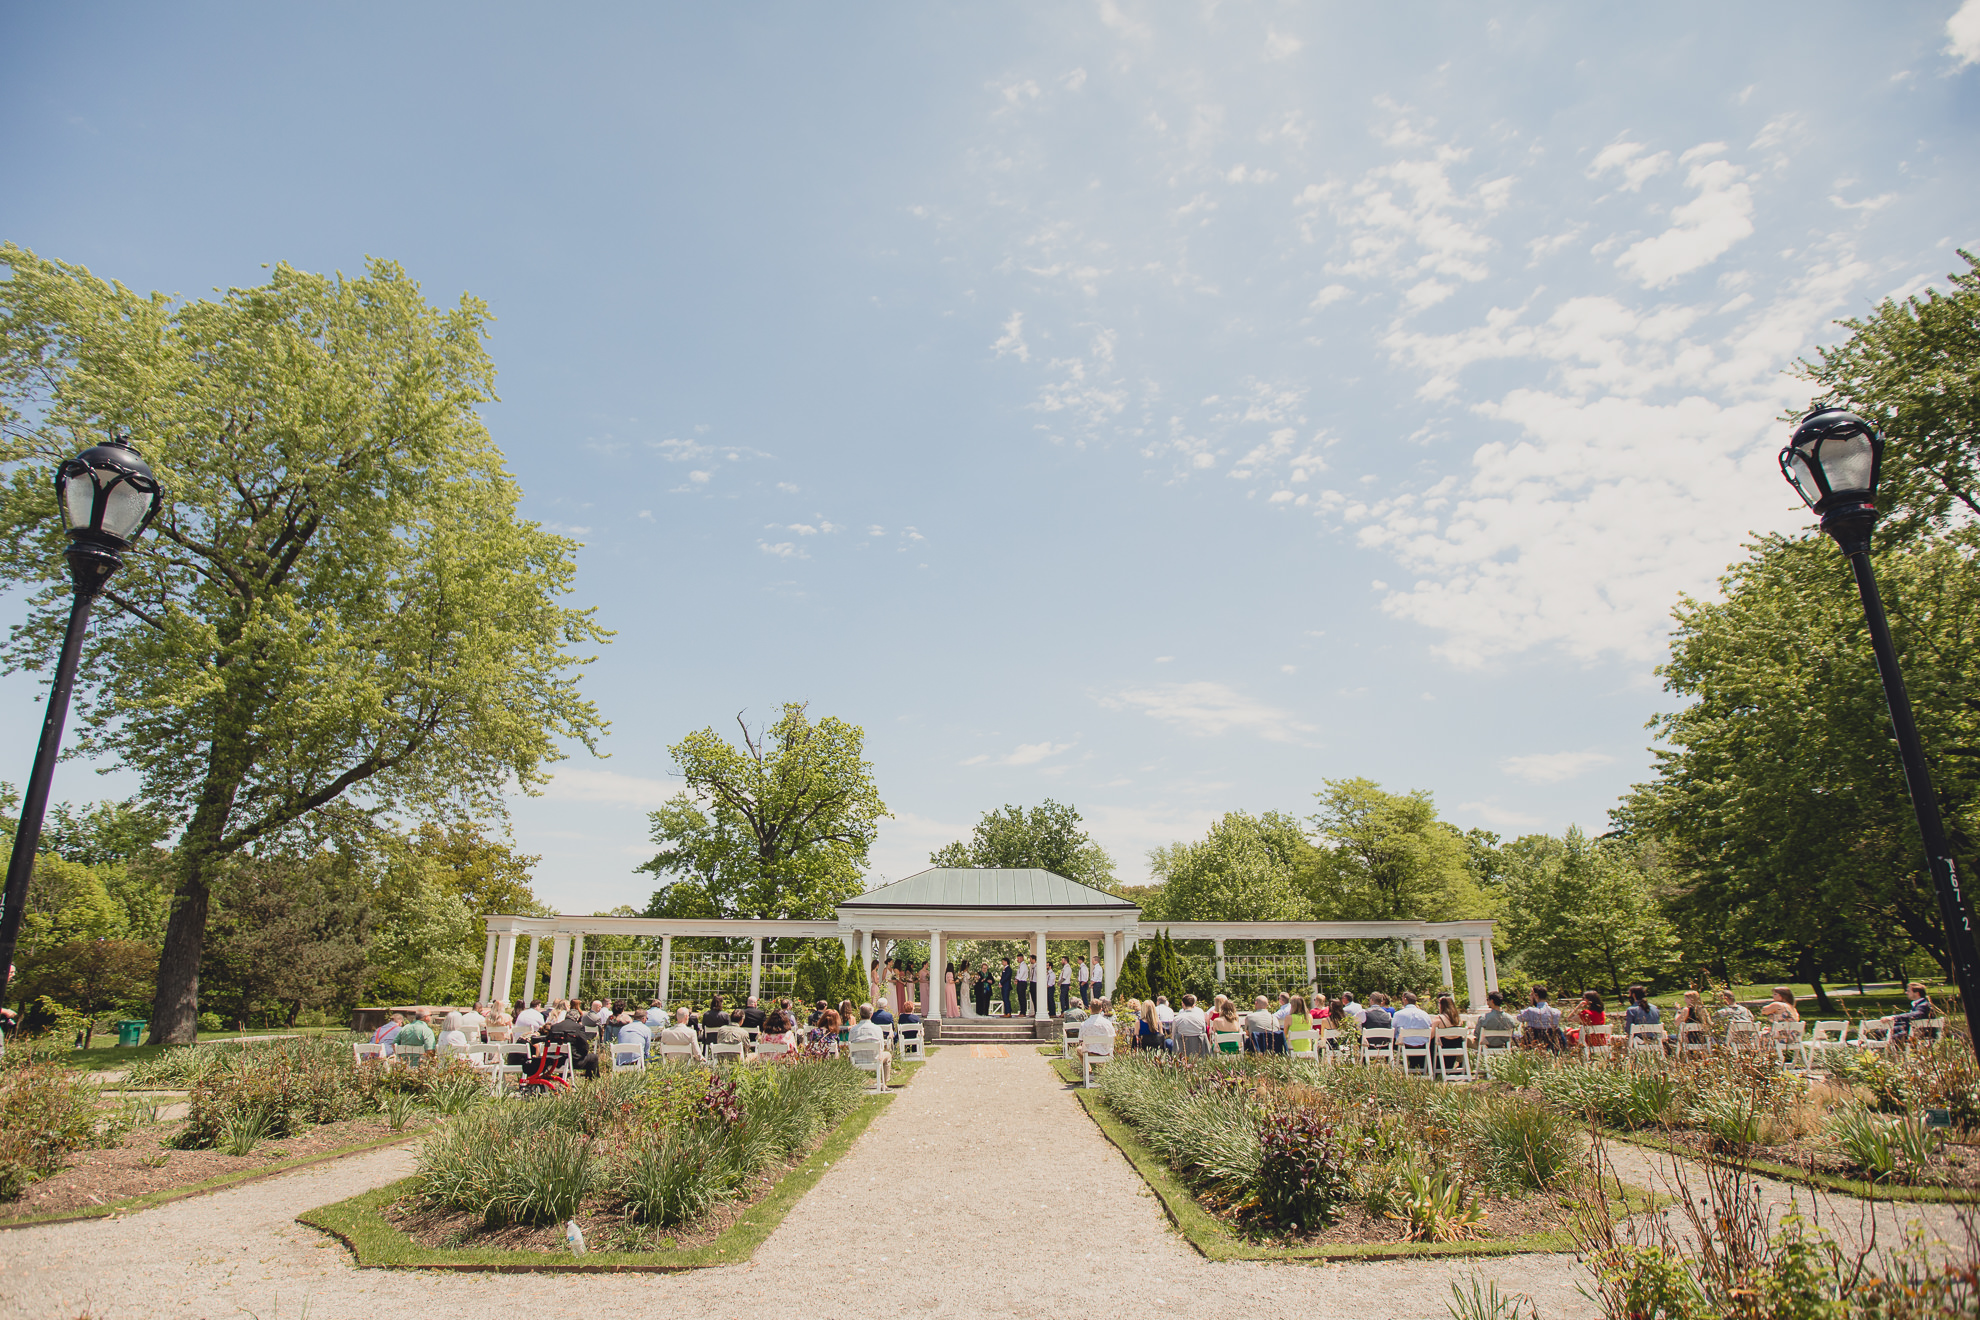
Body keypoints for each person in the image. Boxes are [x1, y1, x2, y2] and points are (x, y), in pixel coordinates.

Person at [1518, 985, 1565, 1050]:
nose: (1530, 997)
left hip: (1534, 1042)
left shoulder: (1530, 1011)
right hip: (1553, 1045)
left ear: (1536, 996)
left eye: (1531, 994)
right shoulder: (1556, 1012)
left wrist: (1530, 1005)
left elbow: (1519, 1018)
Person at [1390, 991, 1435, 1058]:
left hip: (1404, 1044)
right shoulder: (1425, 1014)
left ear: (1405, 1000)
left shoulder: (1398, 1014)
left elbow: (1393, 1032)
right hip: (1423, 1045)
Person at [1076, 996, 1115, 1070]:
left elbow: (1080, 1039)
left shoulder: (1084, 1024)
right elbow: (1113, 1036)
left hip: (1090, 1052)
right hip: (1105, 1051)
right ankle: (1102, 1071)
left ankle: (1088, 1071)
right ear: (1101, 1009)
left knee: (1079, 1049)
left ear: (1090, 1008)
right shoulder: (1107, 1023)